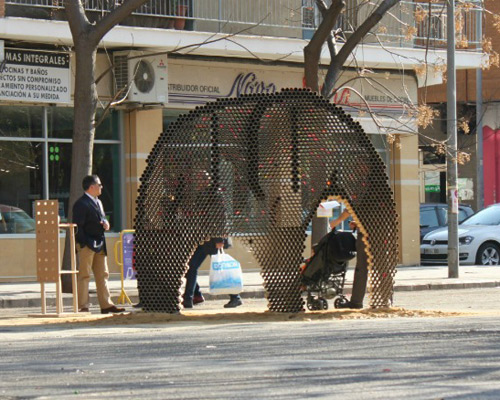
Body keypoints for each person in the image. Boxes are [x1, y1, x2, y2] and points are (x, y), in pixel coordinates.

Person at [73, 175, 125, 314]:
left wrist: (106, 224)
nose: (101, 187)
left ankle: (106, 304)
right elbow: (78, 227)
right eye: (99, 185)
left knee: (103, 274)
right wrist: (84, 244)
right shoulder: (81, 204)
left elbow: (101, 218)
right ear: (92, 187)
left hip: (100, 243)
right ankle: (83, 306)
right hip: (87, 244)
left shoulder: (99, 202)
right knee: (84, 275)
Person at [183, 237, 242, 309]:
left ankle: (189, 298)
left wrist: (220, 240)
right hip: (204, 241)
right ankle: (192, 297)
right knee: (191, 268)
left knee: (192, 268)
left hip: (212, 241)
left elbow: (219, 225)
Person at [329, 208, 368, 309]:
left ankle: (356, 302)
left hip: (366, 235)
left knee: (362, 269)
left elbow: (351, 207)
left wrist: (336, 221)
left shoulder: (361, 193)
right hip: (384, 232)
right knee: (383, 267)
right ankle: (385, 300)